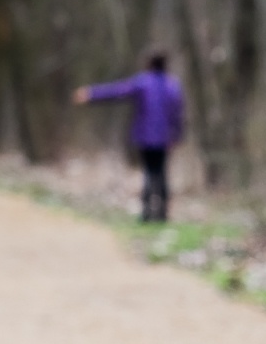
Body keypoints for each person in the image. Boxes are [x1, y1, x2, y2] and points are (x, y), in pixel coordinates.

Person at [73, 52, 185, 223]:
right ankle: (162, 214)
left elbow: (117, 91)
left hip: (146, 137)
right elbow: (178, 114)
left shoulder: (143, 83)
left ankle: (147, 213)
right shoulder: (172, 86)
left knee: (149, 171)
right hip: (164, 138)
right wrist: (176, 136)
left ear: (149, 64)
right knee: (161, 173)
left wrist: (91, 94)